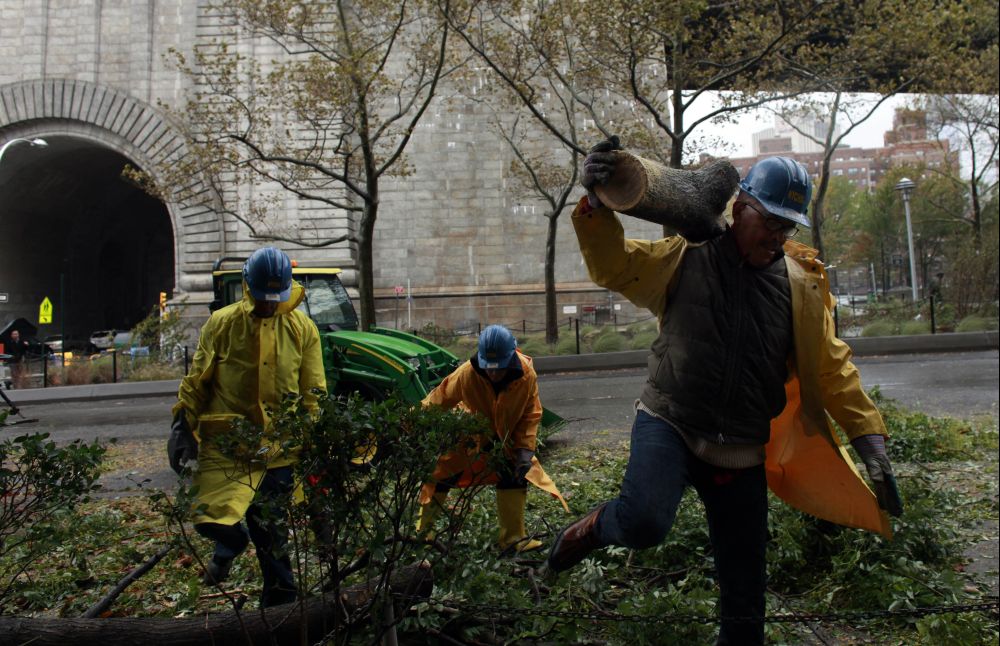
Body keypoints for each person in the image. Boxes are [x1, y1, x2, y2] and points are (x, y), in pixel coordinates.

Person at [546, 141, 903, 645]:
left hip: (741, 447)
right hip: (669, 420)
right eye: (770, 222)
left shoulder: (801, 288)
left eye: (787, 227)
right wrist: (599, 206)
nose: (778, 237)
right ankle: (591, 528)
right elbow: (615, 267)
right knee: (645, 521)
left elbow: (831, 367)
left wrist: (871, 443)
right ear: (740, 208)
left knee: (745, 596)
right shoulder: (685, 257)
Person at [169, 246, 326, 608]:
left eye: (275, 299)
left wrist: (314, 437)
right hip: (228, 444)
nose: (269, 305)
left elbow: (313, 392)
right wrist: (182, 424)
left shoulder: (302, 329)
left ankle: (281, 604)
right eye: (262, 298)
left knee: (270, 531)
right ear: (247, 287)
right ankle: (230, 544)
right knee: (206, 515)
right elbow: (198, 381)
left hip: (279, 450)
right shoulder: (222, 325)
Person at [417, 324, 568, 552]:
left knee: (515, 474)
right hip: (470, 434)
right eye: (490, 368)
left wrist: (525, 450)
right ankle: (422, 537)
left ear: (512, 356)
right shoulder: (467, 374)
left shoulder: (526, 375)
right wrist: (406, 424)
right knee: (441, 474)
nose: (494, 373)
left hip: (507, 438)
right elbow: (436, 401)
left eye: (500, 368)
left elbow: (530, 413)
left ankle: (513, 539)